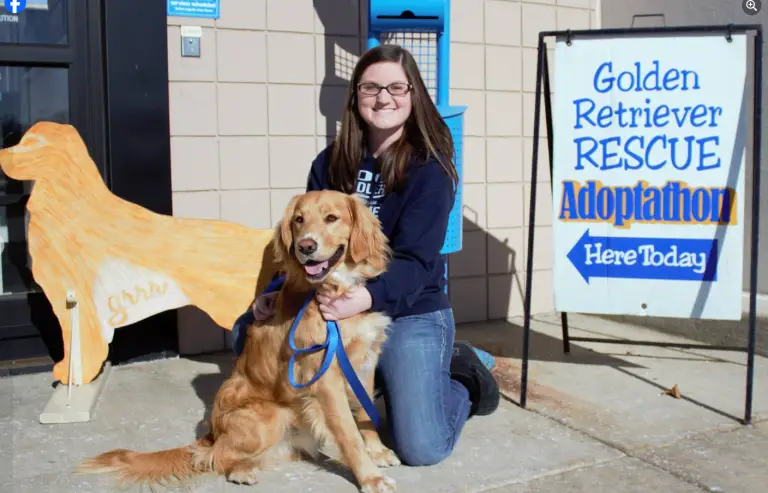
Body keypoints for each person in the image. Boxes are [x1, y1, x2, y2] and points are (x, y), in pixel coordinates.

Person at [235, 44, 500, 467]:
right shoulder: (330, 163)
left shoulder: (430, 170)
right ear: (356, 96)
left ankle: (464, 379)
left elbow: (417, 262)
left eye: (397, 87)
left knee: (420, 446)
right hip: (335, 301)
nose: (383, 97)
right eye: (371, 87)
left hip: (412, 307)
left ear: (414, 96)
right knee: (245, 334)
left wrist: (366, 299)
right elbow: (307, 241)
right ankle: (378, 390)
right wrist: (276, 291)